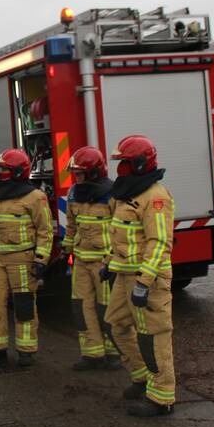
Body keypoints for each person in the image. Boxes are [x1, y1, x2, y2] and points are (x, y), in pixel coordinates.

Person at [102, 135, 176, 416]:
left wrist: (144, 282)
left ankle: (161, 398)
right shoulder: (127, 195)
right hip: (124, 275)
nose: (119, 170)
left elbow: (159, 243)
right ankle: (142, 377)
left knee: (153, 335)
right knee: (115, 324)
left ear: (141, 164)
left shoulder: (155, 197)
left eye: (124, 164)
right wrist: (109, 261)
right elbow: (121, 236)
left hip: (148, 279)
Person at [0, 148, 54, 369]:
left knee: (24, 307)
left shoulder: (36, 198)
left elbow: (45, 231)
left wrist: (41, 260)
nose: (2, 174)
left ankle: (26, 352)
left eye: (5, 169)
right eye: (1, 170)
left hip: (23, 260)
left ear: (18, 171)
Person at [62, 146, 121, 371]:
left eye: (80, 173)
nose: (76, 177)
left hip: (104, 263)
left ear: (93, 172)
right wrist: (67, 250)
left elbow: (121, 230)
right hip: (80, 262)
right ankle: (92, 353)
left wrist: (115, 259)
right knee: (81, 307)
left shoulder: (112, 195)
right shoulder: (75, 193)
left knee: (107, 309)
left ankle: (115, 352)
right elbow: (71, 226)